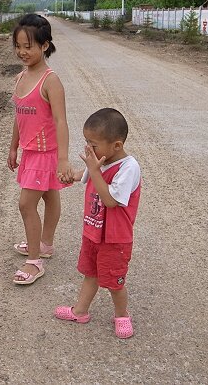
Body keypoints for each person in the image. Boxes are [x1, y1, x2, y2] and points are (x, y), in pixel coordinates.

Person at [55, 108, 141, 339]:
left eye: (93, 144)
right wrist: (70, 175)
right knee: (90, 274)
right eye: (86, 142)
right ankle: (80, 311)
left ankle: (122, 316)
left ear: (117, 145)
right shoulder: (101, 162)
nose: (88, 149)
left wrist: (94, 171)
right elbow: (82, 175)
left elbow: (111, 200)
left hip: (115, 239)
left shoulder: (128, 168)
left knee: (114, 281)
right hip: (93, 233)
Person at [7, 13, 73, 285]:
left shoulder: (50, 80)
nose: (22, 52)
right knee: (49, 197)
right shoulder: (21, 77)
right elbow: (19, 115)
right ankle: (45, 244)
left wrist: (63, 160)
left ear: (45, 45)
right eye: (18, 46)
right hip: (29, 152)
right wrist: (13, 148)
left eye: (29, 46)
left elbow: (61, 121)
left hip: (46, 154)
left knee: (26, 203)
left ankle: (34, 262)